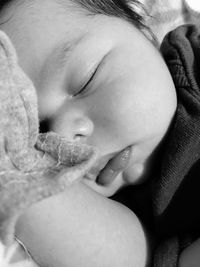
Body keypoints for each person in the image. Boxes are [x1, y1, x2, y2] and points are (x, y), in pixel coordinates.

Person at [0, 0, 199, 266]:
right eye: (39, 134)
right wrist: (18, 175)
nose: (65, 135)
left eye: (86, 80)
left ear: (144, 33)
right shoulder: (125, 212)